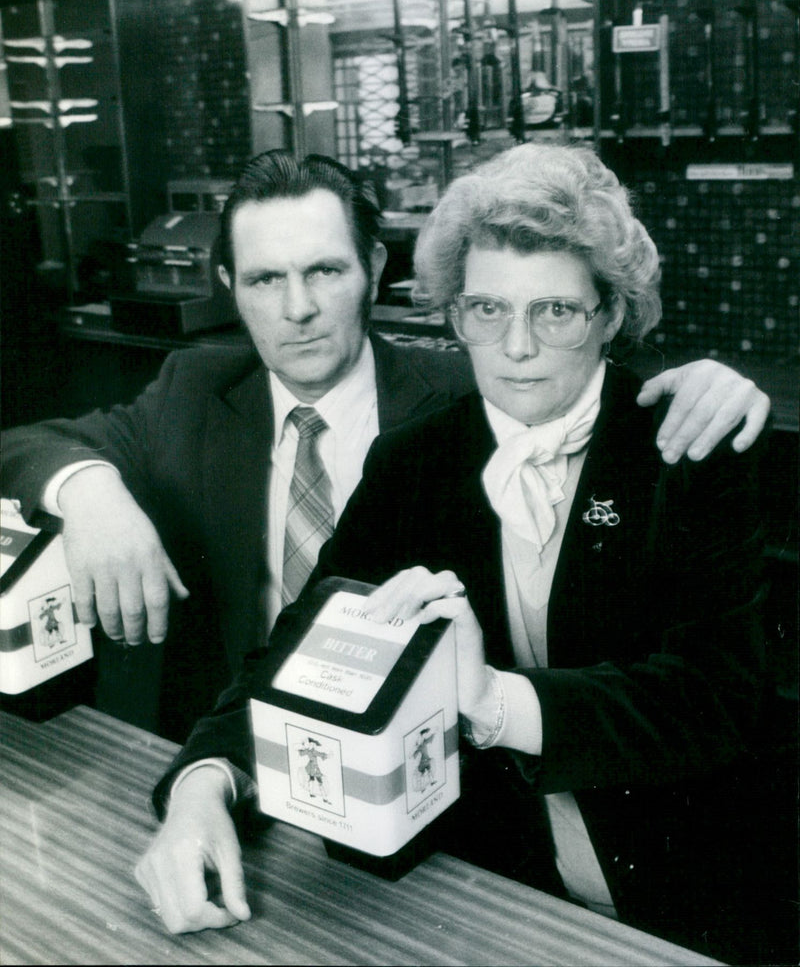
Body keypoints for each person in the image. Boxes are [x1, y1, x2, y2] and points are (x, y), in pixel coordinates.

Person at [135, 144, 773, 963]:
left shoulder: (684, 444)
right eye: (486, 309)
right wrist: (199, 790)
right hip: (485, 892)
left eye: (555, 311)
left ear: (610, 313)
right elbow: (293, 650)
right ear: (454, 313)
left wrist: (491, 698)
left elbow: (716, 700)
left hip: (686, 897)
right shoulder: (416, 460)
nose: (515, 348)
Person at [1, 151, 768, 743]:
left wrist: (713, 384)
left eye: (325, 270)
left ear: (374, 270)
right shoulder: (193, 388)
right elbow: (28, 444)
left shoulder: (460, 396)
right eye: (266, 280)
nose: (296, 309)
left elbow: (574, 374)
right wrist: (89, 493)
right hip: (248, 738)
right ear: (230, 286)